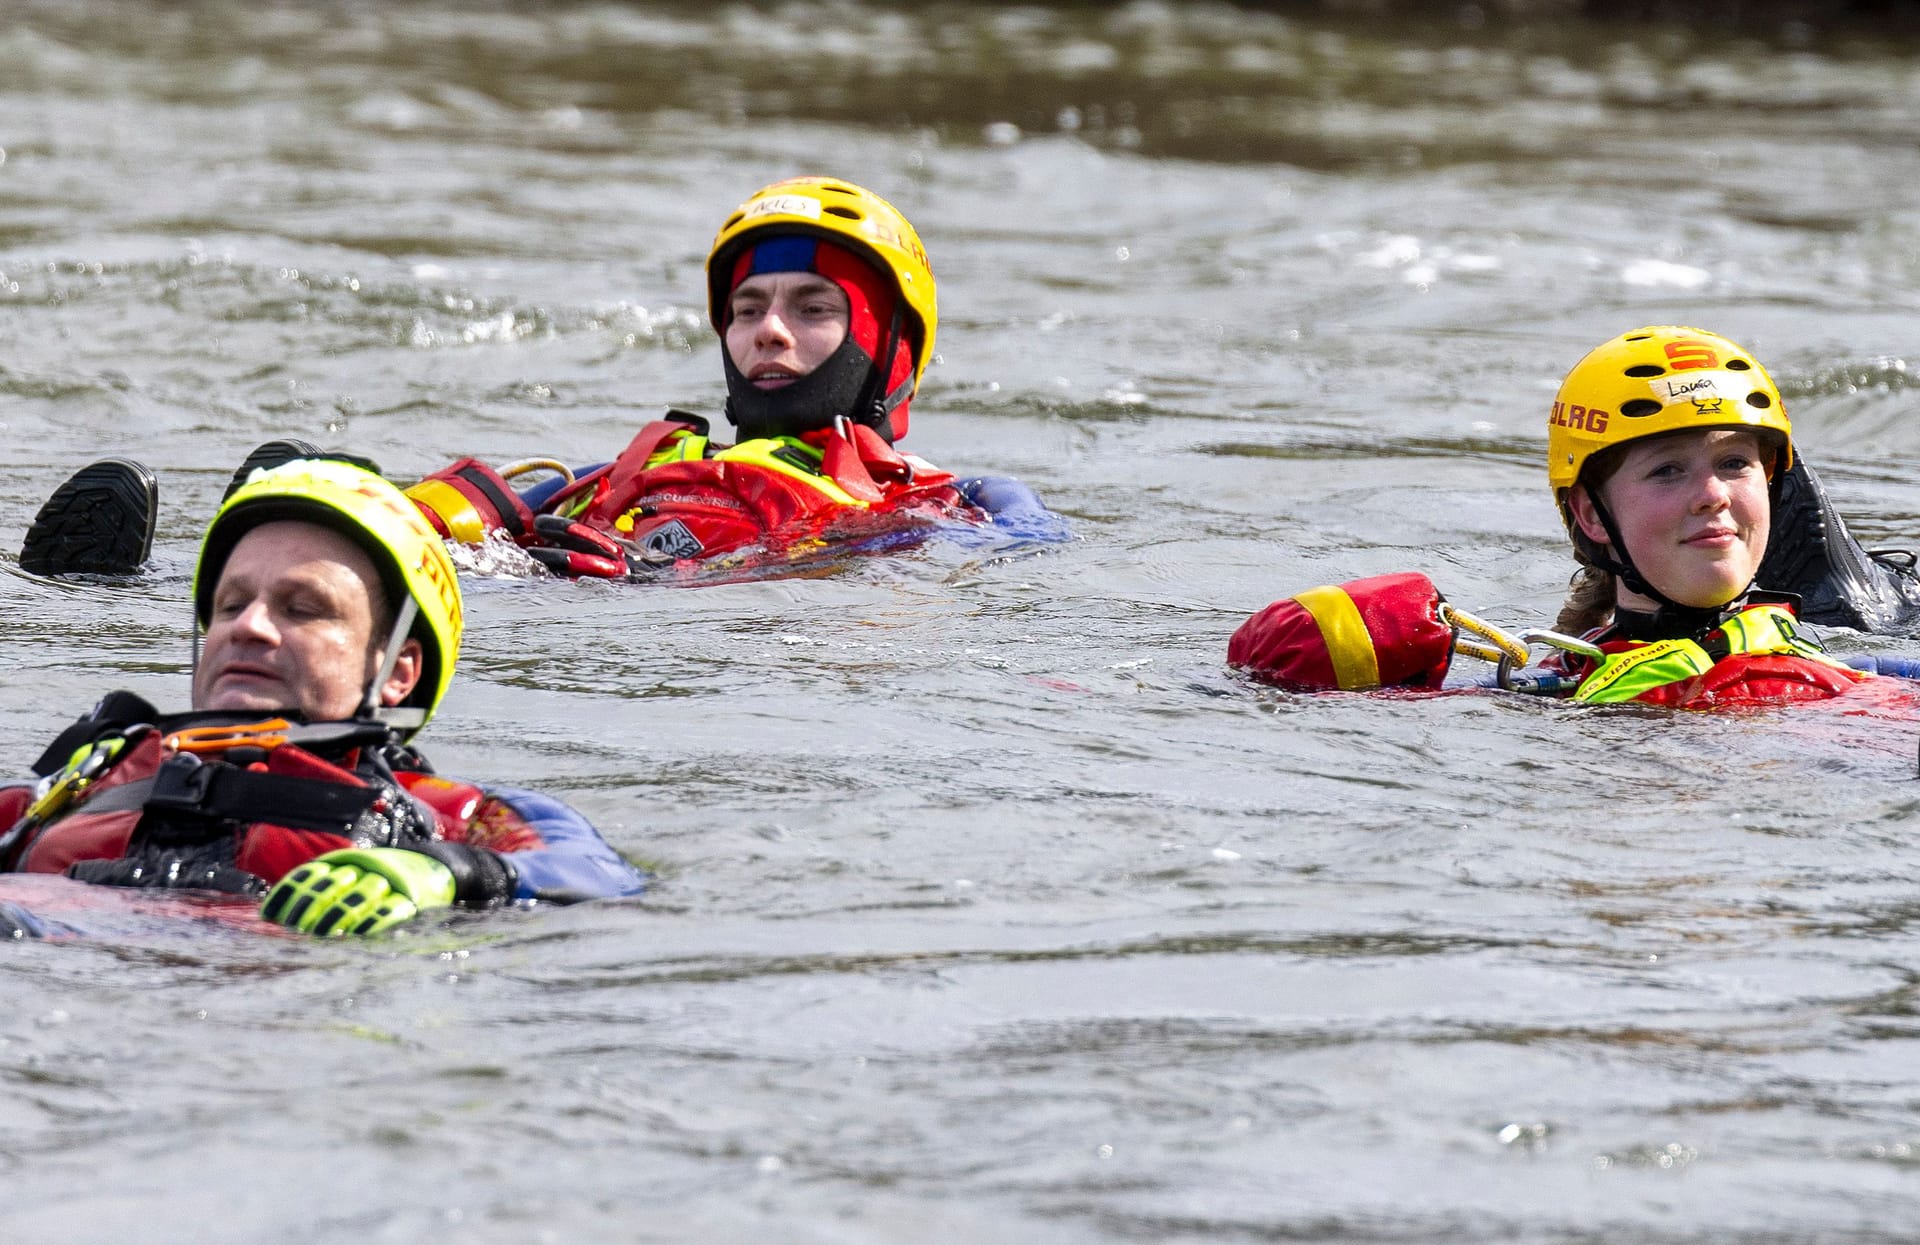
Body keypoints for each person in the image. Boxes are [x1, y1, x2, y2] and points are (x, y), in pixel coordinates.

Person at [0, 458, 647, 938]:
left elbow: (599, 874)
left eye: (302, 608)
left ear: (398, 670)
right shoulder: (82, 780)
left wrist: (445, 871)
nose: (247, 626)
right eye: (231, 604)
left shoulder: (444, 813)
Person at [405, 174, 1063, 578]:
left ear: (888, 346)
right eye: (748, 308)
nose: (769, 331)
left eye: (813, 308)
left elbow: (1032, 549)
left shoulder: (958, 502)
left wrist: (659, 581)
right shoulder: (615, 475)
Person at [1229, 326, 1920, 707]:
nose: (1711, 493)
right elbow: (1261, 668)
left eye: (1735, 463)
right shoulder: (1551, 688)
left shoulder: (1826, 666)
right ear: (1591, 515)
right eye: (1667, 470)